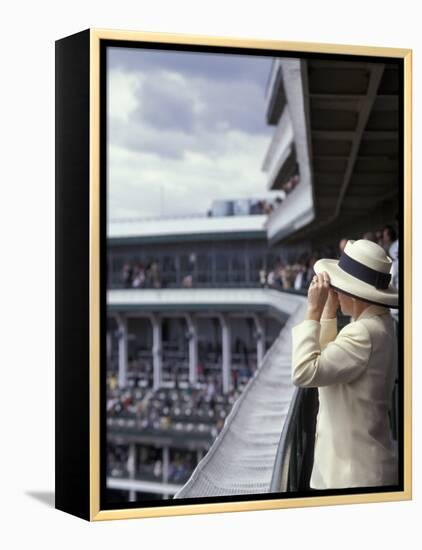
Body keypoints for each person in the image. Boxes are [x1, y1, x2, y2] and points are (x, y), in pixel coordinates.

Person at [291, 239, 398, 490]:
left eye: (339, 288)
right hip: (363, 470)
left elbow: (304, 371)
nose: (335, 291)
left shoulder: (362, 333)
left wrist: (313, 312)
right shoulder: (381, 324)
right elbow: (330, 363)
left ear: (355, 293)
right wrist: (329, 311)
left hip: (353, 477)